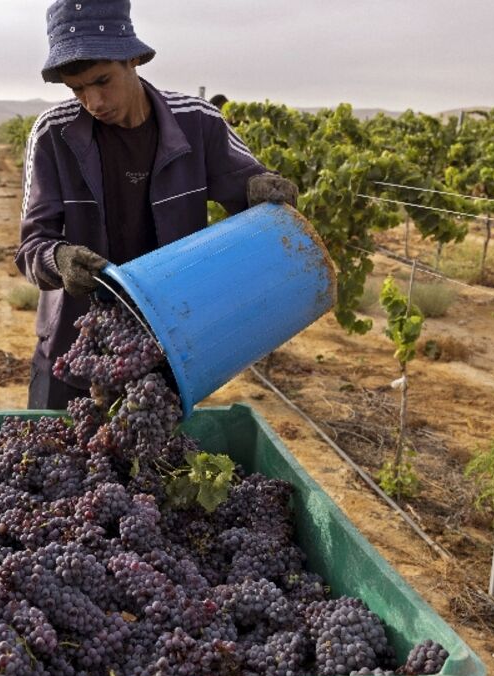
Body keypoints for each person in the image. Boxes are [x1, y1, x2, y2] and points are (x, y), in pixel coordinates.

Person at [17, 0, 297, 410]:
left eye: (102, 81)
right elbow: (31, 248)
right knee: (53, 462)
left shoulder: (198, 121)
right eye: (77, 90)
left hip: (170, 345)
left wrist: (266, 190)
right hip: (74, 349)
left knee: (157, 465)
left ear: (133, 59)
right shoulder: (52, 134)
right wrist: (58, 259)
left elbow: (257, 199)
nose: (92, 101)